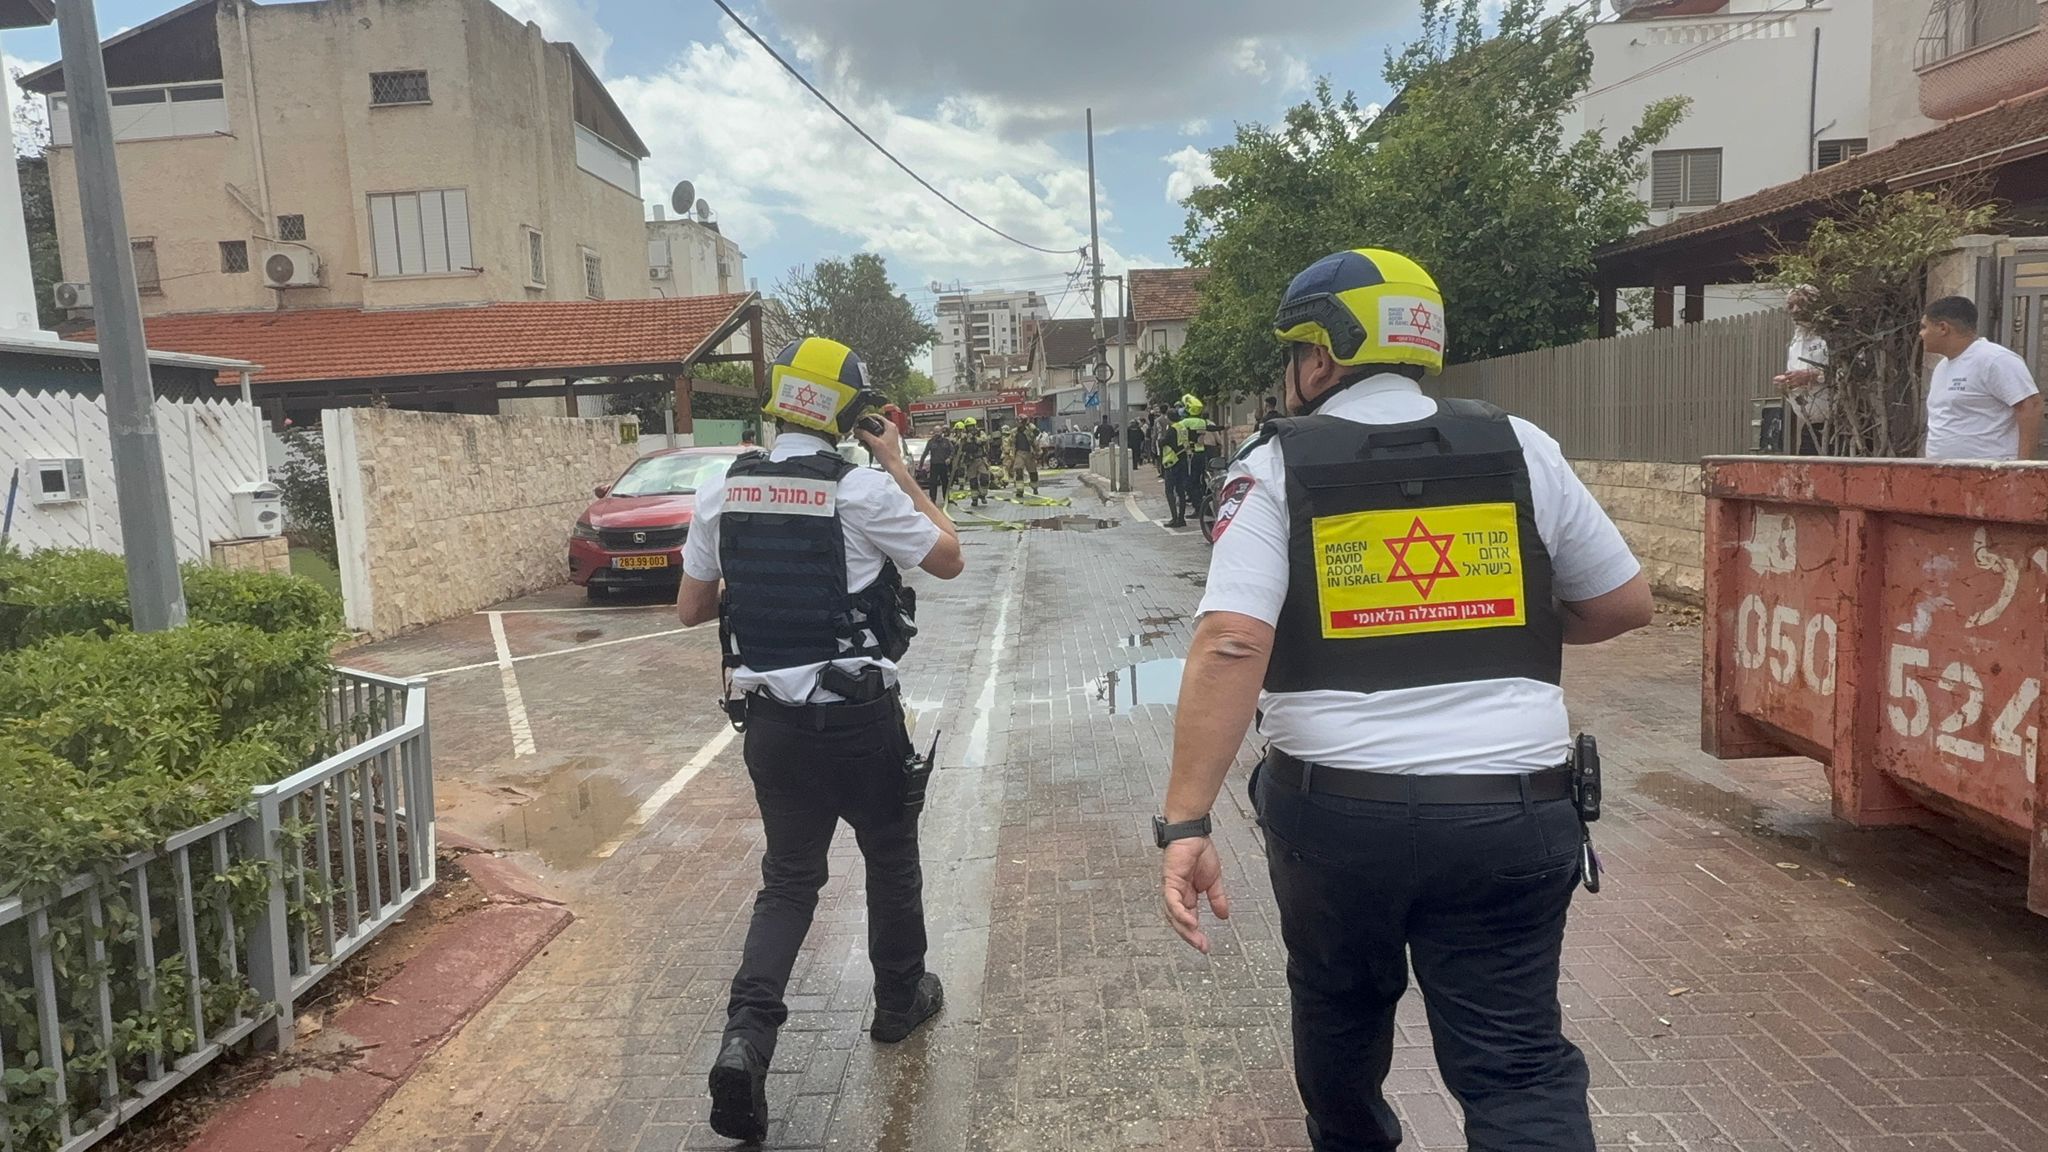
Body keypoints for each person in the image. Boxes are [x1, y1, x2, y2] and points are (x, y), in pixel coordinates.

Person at [1156, 248, 1652, 1152]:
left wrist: (1186, 821)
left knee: (1340, 1019)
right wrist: (1485, 622)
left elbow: (1231, 641)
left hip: (1338, 820)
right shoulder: (1521, 445)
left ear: (1318, 358)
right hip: (1512, 813)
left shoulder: (1272, 466)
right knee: (1517, 1067)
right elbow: (1622, 603)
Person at [674, 336, 965, 1144]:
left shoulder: (721, 488)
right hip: (860, 721)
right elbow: (949, 558)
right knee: (890, 857)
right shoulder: (862, 489)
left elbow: (691, 609)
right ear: (846, 412)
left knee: (790, 881)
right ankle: (899, 1001)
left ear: (778, 399)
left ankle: (746, 1040)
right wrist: (899, 465)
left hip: (772, 726)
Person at [1920, 295, 2042, 461]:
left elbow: (2031, 406)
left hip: (1991, 470)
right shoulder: (1942, 367)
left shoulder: (1995, 359)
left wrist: (2022, 466)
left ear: (1943, 328)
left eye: (1924, 327)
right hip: (1943, 472)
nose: (1921, 334)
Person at [1773, 286, 1833, 455]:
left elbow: (1856, 374)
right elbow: (1797, 377)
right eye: (1790, 306)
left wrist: (1813, 376)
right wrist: (1787, 385)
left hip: (1840, 428)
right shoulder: (1796, 342)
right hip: (1810, 427)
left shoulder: (1832, 336)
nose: (1795, 310)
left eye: (1801, 304)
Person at [958, 418, 992, 507]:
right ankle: (974, 499)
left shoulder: (980, 433)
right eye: (968, 426)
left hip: (980, 459)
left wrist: (974, 438)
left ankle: (983, 494)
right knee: (973, 481)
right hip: (970, 461)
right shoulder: (964, 435)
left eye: (971, 426)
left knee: (984, 477)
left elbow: (984, 440)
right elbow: (959, 445)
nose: (970, 428)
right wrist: (963, 439)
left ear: (974, 426)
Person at [920, 426, 955, 504]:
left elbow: (952, 450)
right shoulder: (931, 442)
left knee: (945, 482)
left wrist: (949, 458)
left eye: (938, 432)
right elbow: (925, 453)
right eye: (935, 432)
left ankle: (946, 498)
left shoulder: (946, 441)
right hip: (934, 465)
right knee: (933, 483)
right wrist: (921, 465)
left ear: (941, 432)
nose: (937, 434)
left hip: (943, 465)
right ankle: (933, 499)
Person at [1010, 418, 1040, 495]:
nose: (1017, 423)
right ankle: (1020, 490)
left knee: (1033, 472)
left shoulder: (1029, 431)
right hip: (1019, 453)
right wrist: (1012, 454)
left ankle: (1035, 487)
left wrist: (1037, 451)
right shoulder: (1014, 432)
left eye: (1019, 422)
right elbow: (1012, 443)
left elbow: (1036, 436)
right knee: (1018, 470)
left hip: (1029, 453)